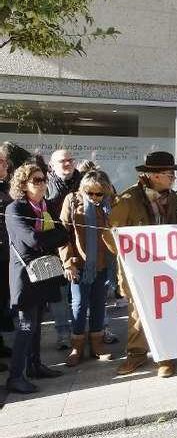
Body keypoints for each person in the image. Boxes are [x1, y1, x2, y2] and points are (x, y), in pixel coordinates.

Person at [107, 152, 177, 378]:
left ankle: (165, 355)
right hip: (136, 269)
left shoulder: (173, 198)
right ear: (155, 176)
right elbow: (111, 236)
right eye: (170, 174)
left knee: (165, 308)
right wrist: (131, 258)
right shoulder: (128, 200)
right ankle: (137, 354)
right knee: (138, 311)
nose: (173, 178)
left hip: (166, 267)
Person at [5, 163, 69, 393]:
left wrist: (47, 237)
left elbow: (65, 235)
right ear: (23, 184)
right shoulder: (15, 209)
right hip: (25, 275)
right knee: (25, 325)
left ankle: (34, 365)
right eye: (36, 180)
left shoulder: (47, 206)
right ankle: (15, 377)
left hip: (44, 273)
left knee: (37, 323)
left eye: (43, 179)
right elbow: (32, 240)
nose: (42, 184)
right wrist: (49, 237)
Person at [59, 171, 115, 366]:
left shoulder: (110, 203)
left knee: (99, 304)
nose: (93, 197)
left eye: (98, 194)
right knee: (79, 305)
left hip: (103, 264)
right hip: (80, 264)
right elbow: (62, 233)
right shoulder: (72, 201)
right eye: (89, 193)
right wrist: (68, 263)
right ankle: (77, 346)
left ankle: (97, 345)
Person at [46, 149, 79, 350]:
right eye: (61, 161)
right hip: (52, 247)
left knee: (84, 293)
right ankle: (63, 334)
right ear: (52, 165)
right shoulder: (45, 184)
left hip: (81, 246)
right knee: (58, 294)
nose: (67, 164)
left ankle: (87, 331)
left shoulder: (84, 181)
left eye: (70, 160)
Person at [0, 146, 14, 362]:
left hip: (5, 254)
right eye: (0, 161)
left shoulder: (5, 187)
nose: (3, 165)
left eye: (4, 161)